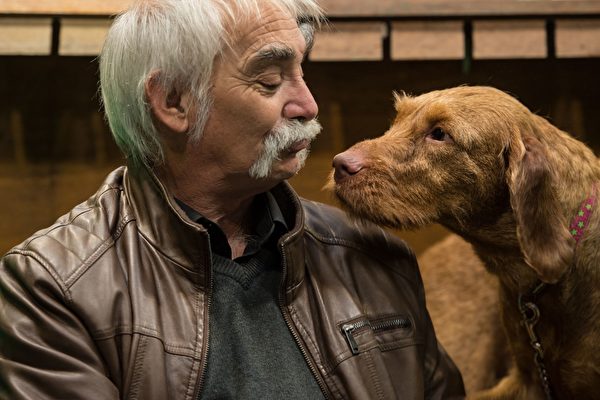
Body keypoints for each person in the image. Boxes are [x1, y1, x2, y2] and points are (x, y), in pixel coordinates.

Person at [0, 0, 464, 399]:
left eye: (301, 73)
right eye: (270, 80)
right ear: (174, 101)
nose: (307, 105)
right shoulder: (52, 286)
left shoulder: (374, 257)